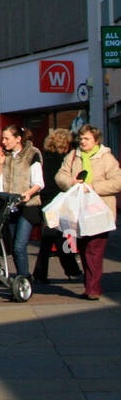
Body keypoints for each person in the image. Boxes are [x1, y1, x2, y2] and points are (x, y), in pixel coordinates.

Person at [53, 124, 121, 300]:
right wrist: (71, 182)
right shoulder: (73, 156)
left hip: (100, 210)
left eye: (87, 139)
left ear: (96, 141)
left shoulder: (106, 158)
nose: (82, 141)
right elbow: (59, 176)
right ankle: (90, 286)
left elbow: (117, 182)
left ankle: (93, 289)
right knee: (83, 249)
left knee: (94, 249)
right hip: (78, 210)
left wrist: (94, 187)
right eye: (81, 138)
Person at [0, 125, 44, 280]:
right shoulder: (6, 156)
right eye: (3, 138)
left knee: (19, 245)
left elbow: (39, 182)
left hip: (28, 206)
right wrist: (1, 163)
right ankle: (23, 277)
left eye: (7, 138)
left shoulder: (32, 154)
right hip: (11, 207)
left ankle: (24, 278)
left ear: (18, 139)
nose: (4, 141)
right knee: (13, 247)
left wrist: (28, 193)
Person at [34, 128, 81, 282]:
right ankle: (71, 269)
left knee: (49, 237)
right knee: (63, 236)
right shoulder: (66, 160)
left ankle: (42, 272)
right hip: (61, 202)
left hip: (47, 203)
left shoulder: (44, 158)